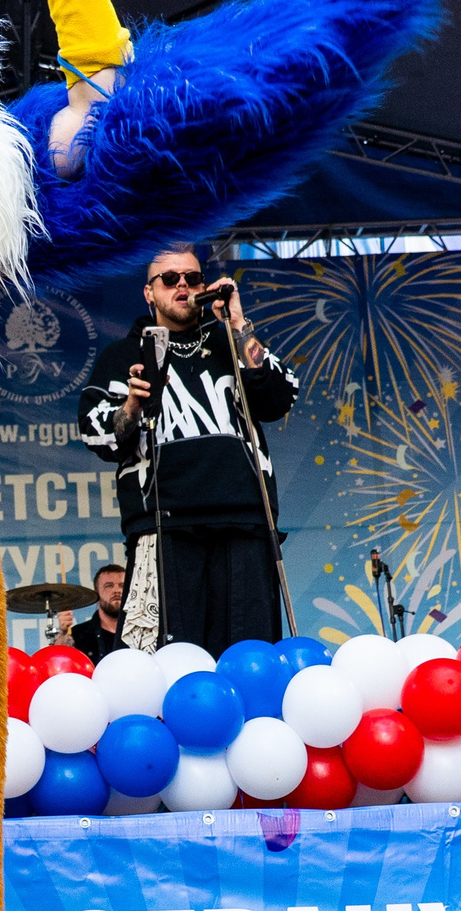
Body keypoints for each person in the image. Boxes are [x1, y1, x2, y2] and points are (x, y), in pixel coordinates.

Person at [78, 242, 299, 653]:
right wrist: (131, 406)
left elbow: (279, 397)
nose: (183, 285)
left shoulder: (231, 344)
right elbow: (95, 432)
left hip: (244, 521)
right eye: (170, 279)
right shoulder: (124, 355)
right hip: (163, 526)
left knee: (249, 656)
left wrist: (238, 324)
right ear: (149, 292)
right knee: (162, 662)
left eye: (193, 278)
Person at [52, 562, 126, 659]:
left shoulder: (140, 632)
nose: (117, 590)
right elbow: (58, 663)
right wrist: (63, 634)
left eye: (122, 586)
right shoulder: (78, 634)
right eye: (109, 586)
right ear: (96, 595)